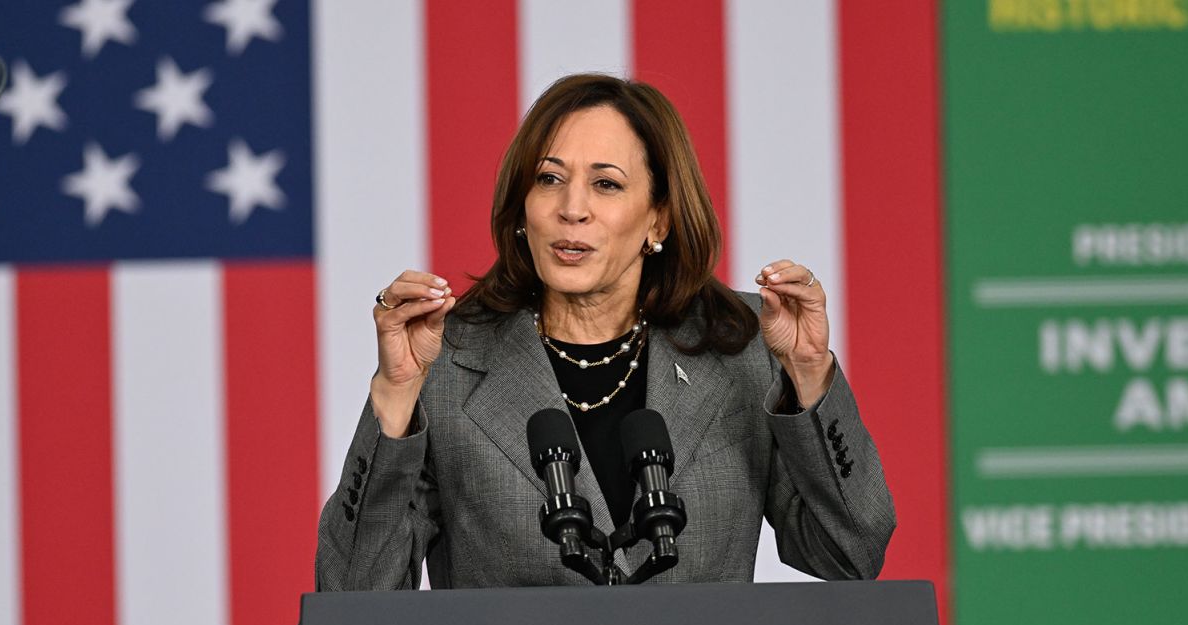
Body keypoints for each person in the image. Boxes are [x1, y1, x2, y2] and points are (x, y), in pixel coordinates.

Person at [316, 74, 894, 591]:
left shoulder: (743, 349)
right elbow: (352, 590)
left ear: (658, 218)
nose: (573, 209)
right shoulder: (447, 359)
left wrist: (810, 374)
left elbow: (850, 553)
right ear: (522, 209)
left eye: (607, 185)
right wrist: (395, 392)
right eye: (549, 179)